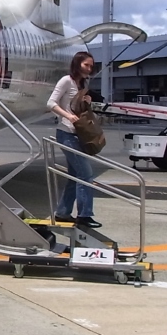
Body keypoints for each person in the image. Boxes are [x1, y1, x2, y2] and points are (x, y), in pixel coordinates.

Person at [47, 51, 99, 228]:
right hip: (67, 134)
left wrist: (87, 101)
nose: (89, 69)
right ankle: (84, 215)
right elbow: (51, 103)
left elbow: (78, 107)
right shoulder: (66, 81)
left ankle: (63, 212)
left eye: (91, 66)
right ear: (77, 64)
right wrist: (67, 116)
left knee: (74, 176)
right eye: (86, 65)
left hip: (79, 134)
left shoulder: (81, 84)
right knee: (85, 175)